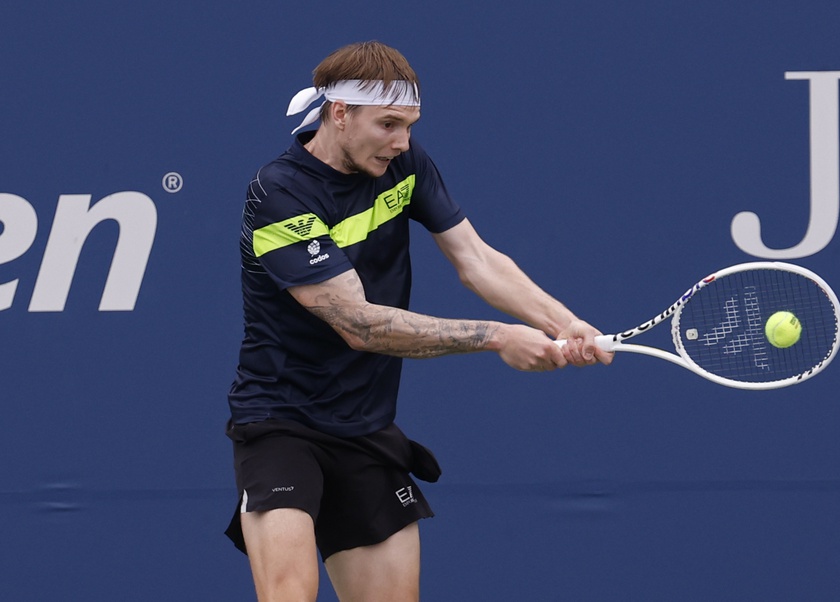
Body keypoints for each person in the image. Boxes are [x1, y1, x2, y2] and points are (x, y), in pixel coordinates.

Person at [225, 40, 613, 602]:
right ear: (340, 113)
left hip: (365, 424)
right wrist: (497, 336)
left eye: (409, 126)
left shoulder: (402, 163)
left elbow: (476, 261)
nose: (402, 141)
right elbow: (358, 325)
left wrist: (564, 322)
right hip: (280, 423)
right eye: (388, 124)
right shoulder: (280, 194)